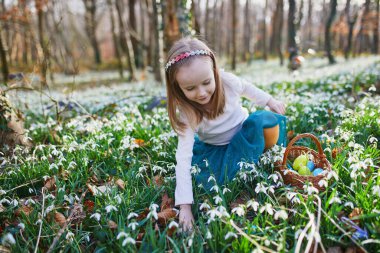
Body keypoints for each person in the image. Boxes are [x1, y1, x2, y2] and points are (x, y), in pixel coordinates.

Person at [164, 37, 287, 232]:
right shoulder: (187, 113)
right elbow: (183, 157)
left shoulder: (227, 81)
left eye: (206, 82)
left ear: (214, 72)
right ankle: (253, 162)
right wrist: (185, 206)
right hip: (217, 150)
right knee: (221, 179)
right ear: (177, 88)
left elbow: (247, 88)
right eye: (190, 88)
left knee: (264, 120)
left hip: (246, 134)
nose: (202, 93)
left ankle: (269, 156)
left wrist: (270, 100)